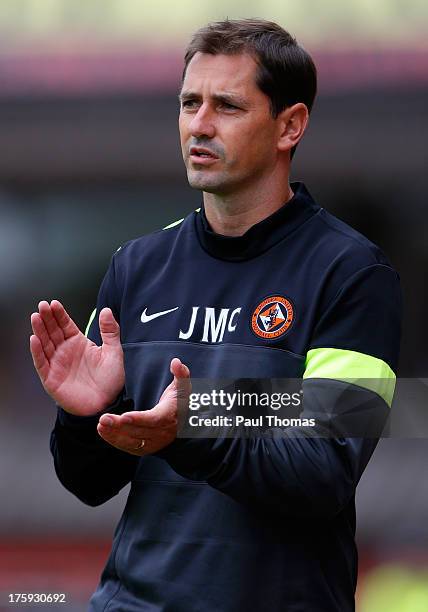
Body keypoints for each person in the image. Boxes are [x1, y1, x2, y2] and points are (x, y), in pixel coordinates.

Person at [30, 18, 401, 612]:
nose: (199, 125)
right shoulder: (137, 265)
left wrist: (194, 423)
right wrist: (85, 416)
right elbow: (89, 485)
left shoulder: (353, 274)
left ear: (290, 126)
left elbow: (323, 473)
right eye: (188, 103)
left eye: (226, 105)